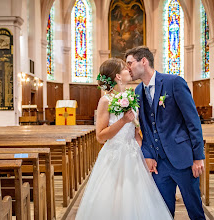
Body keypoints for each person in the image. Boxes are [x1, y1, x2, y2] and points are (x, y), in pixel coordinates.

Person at [75, 58, 173, 220]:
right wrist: (123, 121)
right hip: (114, 155)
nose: (129, 70)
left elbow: (135, 132)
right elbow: (100, 136)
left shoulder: (131, 97)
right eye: (125, 69)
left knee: (138, 198)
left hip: (133, 153)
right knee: (114, 199)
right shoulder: (105, 101)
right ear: (118, 77)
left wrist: (143, 153)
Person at [125, 46, 206, 220]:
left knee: (195, 211)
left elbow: (193, 121)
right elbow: (144, 128)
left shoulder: (174, 82)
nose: (127, 68)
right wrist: (147, 154)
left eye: (130, 63)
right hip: (159, 164)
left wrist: (198, 157)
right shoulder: (138, 91)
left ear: (144, 61)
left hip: (183, 159)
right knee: (163, 212)